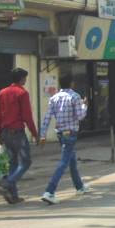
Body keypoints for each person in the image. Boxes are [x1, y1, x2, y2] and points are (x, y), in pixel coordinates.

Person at [39, 74, 91, 205]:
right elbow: (80, 116)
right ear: (72, 83)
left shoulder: (54, 98)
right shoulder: (75, 96)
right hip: (71, 133)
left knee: (71, 160)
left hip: (60, 133)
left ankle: (79, 187)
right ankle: (49, 191)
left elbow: (47, 118)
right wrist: (85, 106)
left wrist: (43, 134)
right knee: (64, 162)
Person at [0, 68, 39, 204]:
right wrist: (35, 134)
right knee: (25, 162)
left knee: (13, 163)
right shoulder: (22, 93)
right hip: (17, 133)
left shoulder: (2, 93)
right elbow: (27, 116)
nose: (26, 80)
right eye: (25, 78)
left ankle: (13, 196)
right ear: (21, 79)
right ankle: (7, 183)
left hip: (5, 132)